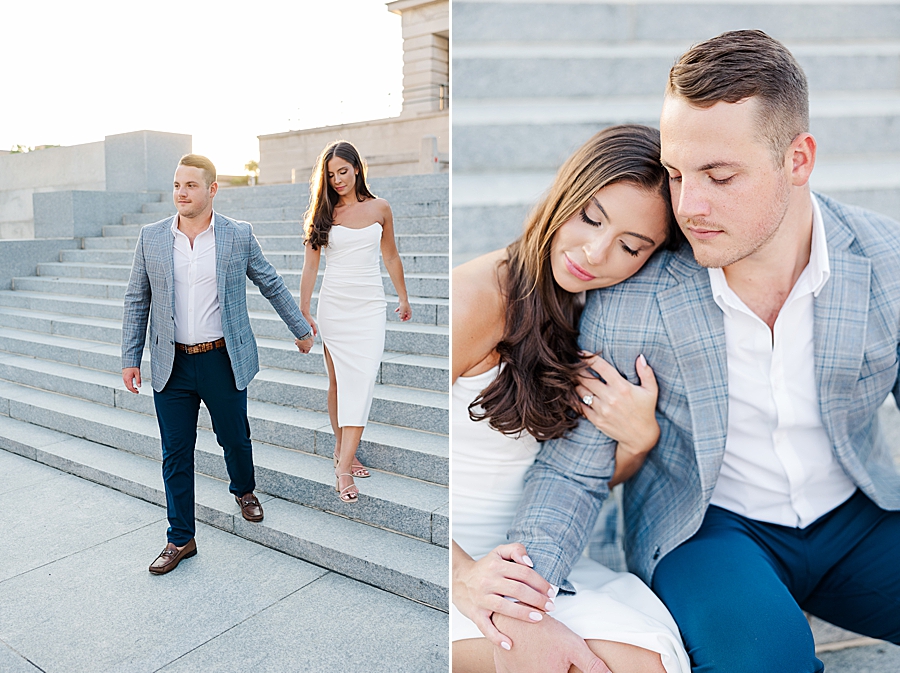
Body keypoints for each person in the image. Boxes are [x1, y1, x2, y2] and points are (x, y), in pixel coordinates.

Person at [494, 30, 900, 673]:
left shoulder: (885, 260)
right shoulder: (634, 298)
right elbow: (573, 470)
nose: (688, 206)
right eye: (677, 174)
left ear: (798, 160)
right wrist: (526, 602)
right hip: (708, 527)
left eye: (720, 176)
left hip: (858, 515)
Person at [452, 125, 691, 673]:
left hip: (537, 554)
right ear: (565, 193)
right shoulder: (477, 298)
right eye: (590, 217)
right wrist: (464, 577)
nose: (595, 251)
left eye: (631, 246)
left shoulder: (603, 315)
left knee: (644, 663)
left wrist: (639, 438)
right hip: (451, 560)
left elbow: (586, 478)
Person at [121, 153, 314, 575]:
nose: (181, 193)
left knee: (234, 438)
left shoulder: (236, 235)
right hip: (171, 364)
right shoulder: (151, 237)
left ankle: (244, 489)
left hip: (222, 359)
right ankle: (180, 538)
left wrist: (300, 328)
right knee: (175, 454)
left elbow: (270, 282)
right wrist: (130, 357)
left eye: (190, 186)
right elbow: (138, 298)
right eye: (176, 185)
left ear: (211, 190)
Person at [299, 141, 411, 503]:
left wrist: (403, 297)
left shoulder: (381, 208)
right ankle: (343, 453)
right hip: (335, 304)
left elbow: (390, 255)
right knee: (338, 383)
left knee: (361, 381)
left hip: (369, 306)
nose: (338, 180)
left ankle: (343, 465)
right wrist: (303, 308)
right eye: (330, 175)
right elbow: (311, 265)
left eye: (343, 172)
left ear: (357, 169)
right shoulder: (323, 213)